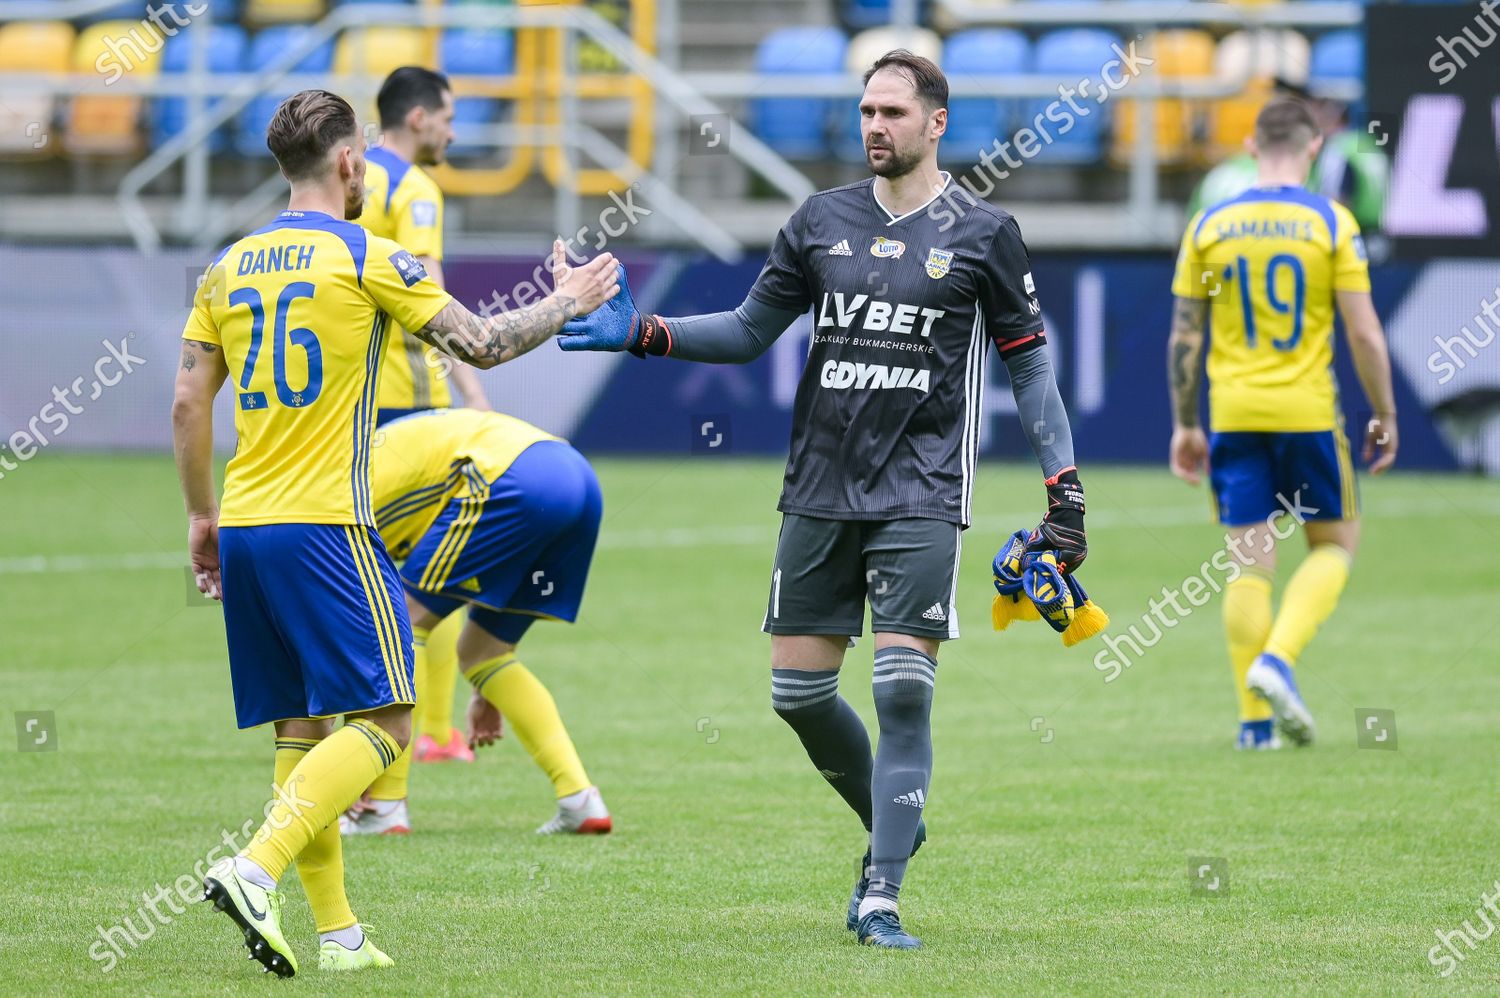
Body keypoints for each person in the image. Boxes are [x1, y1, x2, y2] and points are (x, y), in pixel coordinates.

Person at [555, 50, 1086, 949]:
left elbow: (1029, 365)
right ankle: (894, 816)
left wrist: (1063, 489)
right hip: (818, 489)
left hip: (921, 491)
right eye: (866, 110)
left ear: (936, 123)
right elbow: (749, 329)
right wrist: (644, 331)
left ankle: (880, 889)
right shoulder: (818, 220)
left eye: (892, 112)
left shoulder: (984, 231)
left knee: (902, 692)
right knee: (798, 698)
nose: (874, 125)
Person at [172, 88, 617, 976]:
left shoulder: (224, 269)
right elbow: (482, 344)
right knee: (388, 719)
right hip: (328, 521)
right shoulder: (370, 256)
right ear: (349, 165)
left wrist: (199, 515)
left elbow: (188, 400)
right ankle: (256, 870)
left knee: (301, 733)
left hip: (250, 523)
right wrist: (568, 301)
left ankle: (336, 936)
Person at [1167, 97, 1398, 751]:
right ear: (1315, 148)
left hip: (1232, 412)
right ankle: (1280, 658)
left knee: (1247, 564)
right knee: (1332, 546)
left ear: (1248, 145)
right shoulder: (1331, 222)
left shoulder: (1210, 225)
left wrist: (1186, 424)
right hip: (1308, 413)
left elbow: (1186, 334)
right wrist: (1384, 411)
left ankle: (1253, 725)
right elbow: (1363, 331)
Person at [341, 407, 612, 837]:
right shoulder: (359, 465)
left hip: (515, 479)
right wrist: (487, 687)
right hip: (576, 477)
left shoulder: (342, 494)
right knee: (485, 652)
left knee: (400, 626)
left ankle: (385, 806)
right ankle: (579, 799)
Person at [360, 66, 488, 776]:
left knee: (362, 575)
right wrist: (473, 389)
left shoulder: (343, 181)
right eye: (447, 116)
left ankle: (354, 734)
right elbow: (430, 295)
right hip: (410, 398)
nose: (452, 130)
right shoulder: (415, 190)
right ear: (417, 119)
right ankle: (424, 733)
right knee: (429, 573)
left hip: (350, 404)